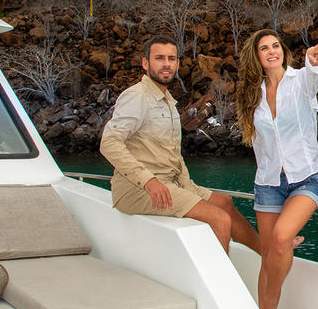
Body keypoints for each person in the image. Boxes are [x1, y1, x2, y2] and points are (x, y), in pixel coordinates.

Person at [100, 35, 261, 254]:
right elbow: (109, 143)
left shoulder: (167, 101)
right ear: (145, 63)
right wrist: (148, 181)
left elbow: (172, 154)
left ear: (177, 64)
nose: (166, 64)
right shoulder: (137, 97)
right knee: (219, 219)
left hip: (170, 183)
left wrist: (187, 185)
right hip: (137, 189)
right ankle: (216, 277)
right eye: (159, 58)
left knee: (224, 202)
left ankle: (267, 253)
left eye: (171, 59)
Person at [235, 29, 318, 309]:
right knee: (268, 254)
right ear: (257, 56)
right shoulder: (252, 94)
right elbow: (259, 143)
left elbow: (315, 75)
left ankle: (269, 307)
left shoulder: (300, 81)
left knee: (280, 237)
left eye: (275, 46)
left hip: (307, 179)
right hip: (268, 183)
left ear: (283, 51)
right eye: (264, 48)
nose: (272, 51)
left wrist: (314, 61)